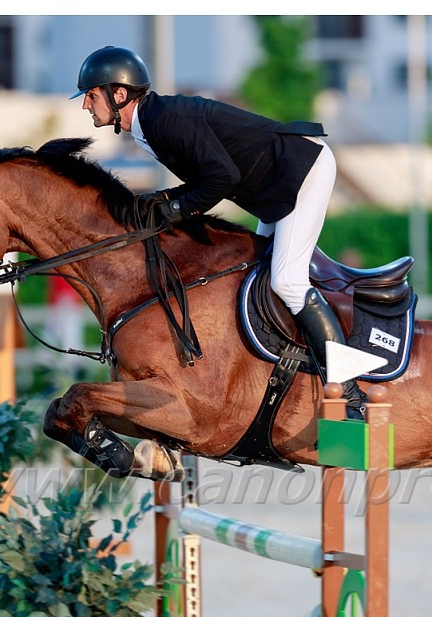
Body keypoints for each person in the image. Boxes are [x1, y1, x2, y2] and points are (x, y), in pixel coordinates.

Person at [72, 45, 366, 418]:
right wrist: (161, 200)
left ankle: (350, 392)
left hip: (301, 171)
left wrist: (174, 209)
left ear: (119, 94)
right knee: (255, 273)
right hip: (276, 184)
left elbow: (222, 178)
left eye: (91, 95)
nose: (85, 105)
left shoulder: (163, 121)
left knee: (287, 281)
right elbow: (208, 178)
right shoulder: (151, 123)